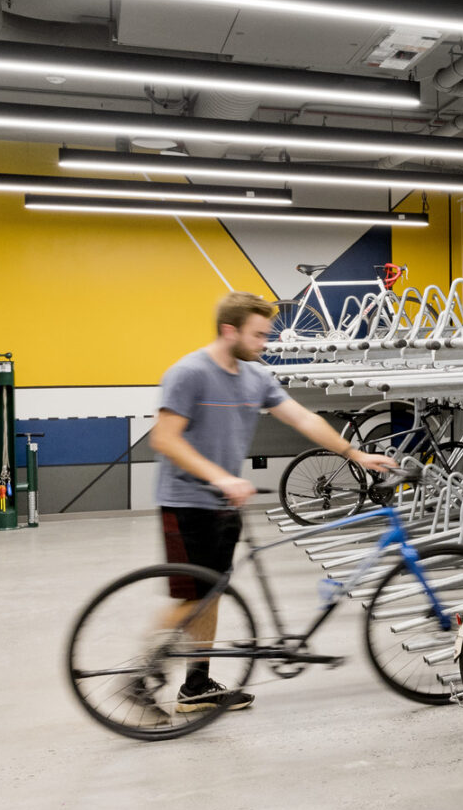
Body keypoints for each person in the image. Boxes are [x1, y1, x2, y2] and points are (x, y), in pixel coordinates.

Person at [147, 292, 397, 713]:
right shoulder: (188, 373)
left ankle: (196, 685)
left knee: (213, 593)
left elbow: (303, 418)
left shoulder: (255, 377)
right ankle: (139, 676)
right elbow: (164, 438)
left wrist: (355, 454)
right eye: (259, 334)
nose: (266, 342)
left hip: (224, 503)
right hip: (186, 501)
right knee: (194, 598)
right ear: (230, 331)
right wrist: (221, 476)